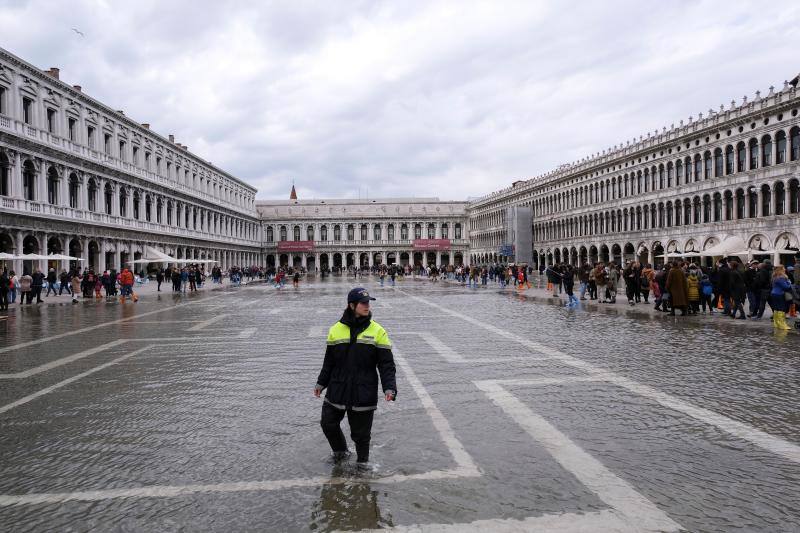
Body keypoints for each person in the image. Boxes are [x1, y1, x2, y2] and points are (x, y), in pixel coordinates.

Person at [314, 288, 397, 467]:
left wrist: (389, 387)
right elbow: (329, 361)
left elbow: (386, 364)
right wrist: (321, 382)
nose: (367, 306)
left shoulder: (378, 331)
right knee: (328, 423)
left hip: (363, 389)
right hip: (338, 387)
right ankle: (340, 452)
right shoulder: (335, 329)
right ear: (352, 305)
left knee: (361, 435)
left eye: (368, 303)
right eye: (363, 303)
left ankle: (362, 466)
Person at [770, 265, 793, 331]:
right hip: (780, 294)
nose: (785, 269)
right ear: (780, 270)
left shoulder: (774, 277)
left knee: (776, 309)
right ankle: (782, 324)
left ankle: (776, 323)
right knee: (781, 309)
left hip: (774, 293)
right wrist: (789, 283)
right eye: (783, 269)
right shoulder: (781, 278)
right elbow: (786, 287)